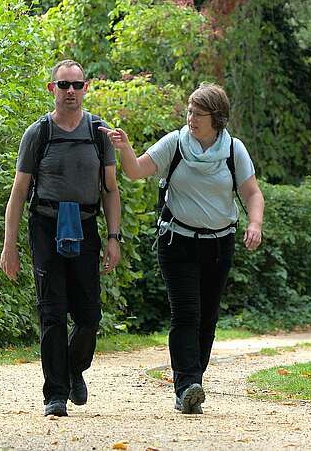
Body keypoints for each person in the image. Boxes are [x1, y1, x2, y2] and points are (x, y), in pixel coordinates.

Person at [104, 82, 264, 415]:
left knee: (208, 316)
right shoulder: (175, 144)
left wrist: (255, 224)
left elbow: (252, 193)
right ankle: (186, 385)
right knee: (186, 312)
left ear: (216, 118)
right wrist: (125, 148)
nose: (191, 118)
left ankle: (194, 382)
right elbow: (135, 172)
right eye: (189, 111)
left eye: (198, 113)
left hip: (220, 244)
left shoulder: (234, 150)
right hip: (177, 241)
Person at [0, 60, 122, 417]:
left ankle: (72, 369)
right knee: (52, 313)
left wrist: (114, 238)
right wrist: (10, 245)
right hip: (46, 227)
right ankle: (55, 394)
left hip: (86, 226)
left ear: (86, 88)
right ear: (52, 89)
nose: (71, 91)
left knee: (89, 316)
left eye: (77, 85)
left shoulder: (99, 132)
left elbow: (111, 189)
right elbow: (19, 192)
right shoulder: (38, 133)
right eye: (64, 85)